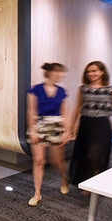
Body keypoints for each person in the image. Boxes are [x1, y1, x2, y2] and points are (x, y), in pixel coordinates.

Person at [69, 61, 112, 189]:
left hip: (102, 125)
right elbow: (77, 109)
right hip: (86, 125)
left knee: (95, 154)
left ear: (102, 72)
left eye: (94, 71)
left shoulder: (111, 90)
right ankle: (88, 181)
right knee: (85, 155)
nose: (91, 74)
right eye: (89, 71)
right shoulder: (83, 89)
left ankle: (95, 180)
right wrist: (71, 128)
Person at [26, 63, 71, 206]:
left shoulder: (61, 91)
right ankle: (37, 193)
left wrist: (67, 131)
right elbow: (31, 110)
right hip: (40, 124)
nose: (61, 75)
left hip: (56, 126)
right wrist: (33, 129)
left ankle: (64, 178)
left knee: (57, 161)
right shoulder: (36, 90)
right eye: (59, 72)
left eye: (62, 72)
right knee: (39, 160)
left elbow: (64, 112)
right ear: (50, 72)